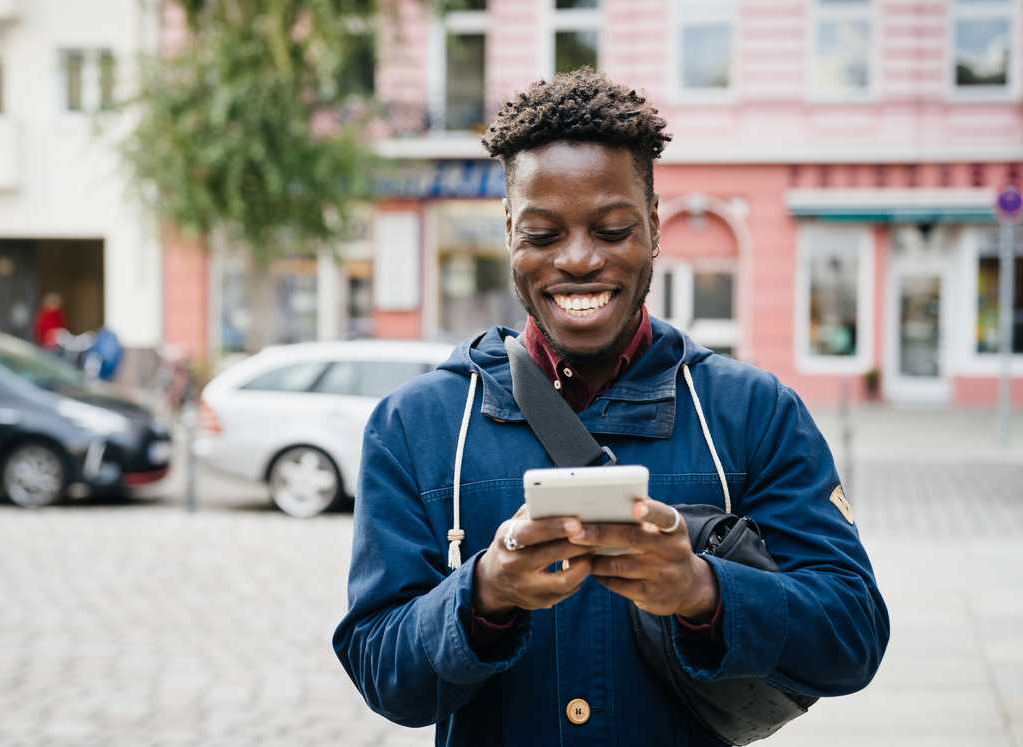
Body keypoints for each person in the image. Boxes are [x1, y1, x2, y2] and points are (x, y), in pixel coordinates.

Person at [334, 69, 889, 746]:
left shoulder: (755, 413)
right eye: (542, 234)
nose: (577, 259)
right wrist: (483, 594)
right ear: (509, 232)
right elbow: (379, 668)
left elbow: (853, 635)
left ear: (654, 228)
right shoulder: (412, 425)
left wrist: (703, 591)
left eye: (613, 228)